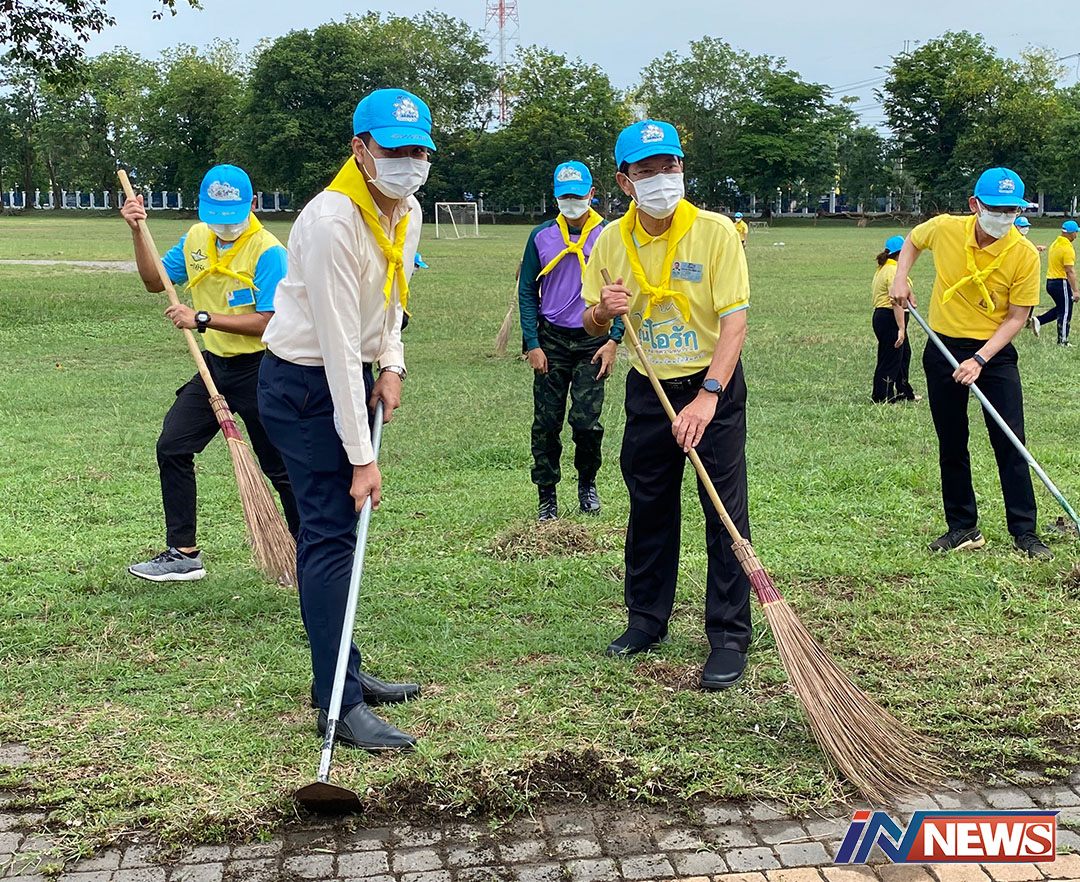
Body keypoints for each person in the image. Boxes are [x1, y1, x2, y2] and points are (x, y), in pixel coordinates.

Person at [258, 88, 434, 750]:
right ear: (360, 150)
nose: (409, 162)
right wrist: (363, 458)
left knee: (337, 537)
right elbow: (334, 343)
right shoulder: (331, 222)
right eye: (394, 149)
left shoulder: (408, 212)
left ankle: (342, 673)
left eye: (420, 151)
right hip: (303, 385)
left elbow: (391, 302)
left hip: (350, 373)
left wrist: (392, 363)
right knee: (330, 536)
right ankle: (340, 700)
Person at [581, 119, 752, 690]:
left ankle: (728, 635)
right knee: (649, 506)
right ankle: (646, 621)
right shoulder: (610, 240)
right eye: (648, 170)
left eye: (670, 166)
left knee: (723, 510)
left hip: (711, 386)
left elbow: (734, 323)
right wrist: (604, 311)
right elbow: (589, 319)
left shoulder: (715, 232)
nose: (662, 178)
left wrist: (708, 397)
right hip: (649, 387)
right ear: (625, 181)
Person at [121, 165, 300, 582]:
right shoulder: (196, 238)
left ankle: (306, 552)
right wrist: (137, 231)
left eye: (231, 214)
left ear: (252, 205)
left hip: (261, 369)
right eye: (215, 215)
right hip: (214, 367)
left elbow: (270, 322)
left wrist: (201, 318)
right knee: (172, 445)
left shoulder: (269, 251)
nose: (223, 224)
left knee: (280, 469)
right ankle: (183, 553)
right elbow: (155, 281)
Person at [890, 167, 1052, 560]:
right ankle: (963, 526)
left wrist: (980, 359)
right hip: (943, 346)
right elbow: (913, 240)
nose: (1004, 217)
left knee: (1010, 441)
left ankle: (1025, 531)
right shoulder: (946, 228)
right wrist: (901, 277)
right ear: (975, 205)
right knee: (952, 440)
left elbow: (1016, 317)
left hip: (993, 354)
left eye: (1012, 210)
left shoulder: (1023, 254)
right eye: (996, 208)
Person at [518, 161, 622, 520]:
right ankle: (547, 495)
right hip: (552, 339)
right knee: (546, 423)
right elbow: (527, 291)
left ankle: (587, 484)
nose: (572, 201)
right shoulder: (541, 236)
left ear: (591, 194)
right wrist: (532, 343)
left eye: (578, 195)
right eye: (565, 196)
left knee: (586, 422)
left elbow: (621, 291)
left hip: (593, 340)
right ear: (555, 196)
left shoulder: (608, 235)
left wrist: (614, 340)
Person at [870, 235, 918, 403]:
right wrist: (901, 328)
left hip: (888, 317)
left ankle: (904, 391)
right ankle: (882, 396)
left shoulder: (887, 268)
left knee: (903, 355)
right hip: (890, 317)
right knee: (890, 357)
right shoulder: (892, 271)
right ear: (900, 253)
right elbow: (895, 301)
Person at [1030, 220, 1079, 345]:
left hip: (1050, 281)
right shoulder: (1067, 248)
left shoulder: (1055, 244)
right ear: (1071, 233)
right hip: (1061, 282)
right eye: (1076, 232)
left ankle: (1039, 320)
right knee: (1066, 312)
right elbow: (1069, 271)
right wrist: (1076, 291)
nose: (1076, 235)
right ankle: (1063, 341)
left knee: (1062, 308)